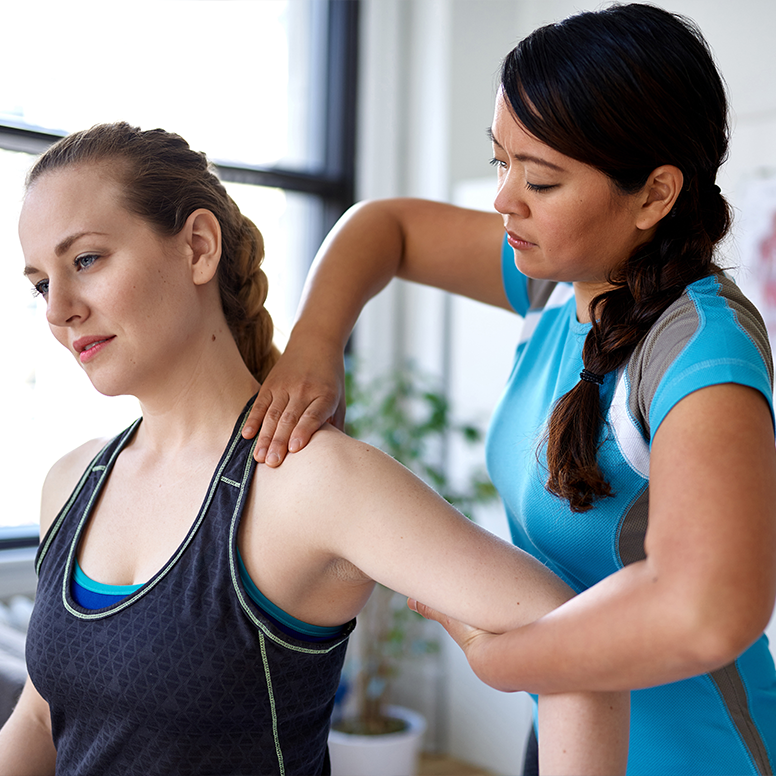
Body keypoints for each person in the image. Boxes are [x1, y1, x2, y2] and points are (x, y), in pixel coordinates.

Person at [242, 4, 776, 775]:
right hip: (566, 724)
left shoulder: (700, 350)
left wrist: (506, 663)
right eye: (502, 163)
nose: (504, 199)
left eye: (541, 179)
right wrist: (315, 346)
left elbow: (710, 611)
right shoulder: (560, 286)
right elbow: (383, 227)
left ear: (655, 195)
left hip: (697, 756)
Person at [0, 122, 628, 776]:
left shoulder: (311, 481)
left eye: (86, 261)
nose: (60, 308)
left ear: (197, 247)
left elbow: (583, 652)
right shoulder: (70, 482)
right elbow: (44, 715)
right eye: (42, 283)